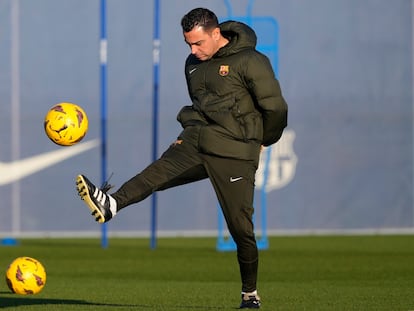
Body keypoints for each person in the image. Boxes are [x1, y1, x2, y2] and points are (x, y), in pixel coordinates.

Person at [76, 7, 287, 309]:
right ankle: (111, 204)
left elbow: (276, 107)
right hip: (196, 139)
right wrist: (190, 131)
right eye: (188, 43)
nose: (193, 49)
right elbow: (200, 104)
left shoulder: (251, 61)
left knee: (241, 228)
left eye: (198, 43)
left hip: (235, 151)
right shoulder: (192, 63)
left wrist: (264, 139)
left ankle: (249, 294)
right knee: (157, 172)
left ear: (216, 34)